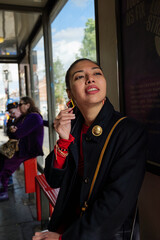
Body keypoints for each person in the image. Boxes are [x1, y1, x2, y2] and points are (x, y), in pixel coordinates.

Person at [33, 58, 147, 240]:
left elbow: (117, 202)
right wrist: (63, 141)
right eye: (80, 76)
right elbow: (53, 180)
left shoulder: (129, 131)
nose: (90, 79)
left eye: (97, 73)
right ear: (70, 94)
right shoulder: (73, 127)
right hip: (66, 225)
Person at [0, 96, 44, 201]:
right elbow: (12, 134)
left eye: (20, 104)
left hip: (28, 150)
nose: (19, 107)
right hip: (22, 148)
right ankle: (4, 187)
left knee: (6, 166)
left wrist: (15, 130)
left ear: (28, 105)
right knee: (2, 160)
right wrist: (12, 128)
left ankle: (4, 191)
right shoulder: (25, 117)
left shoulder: (33, 117)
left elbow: (19, 133)